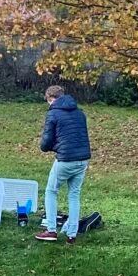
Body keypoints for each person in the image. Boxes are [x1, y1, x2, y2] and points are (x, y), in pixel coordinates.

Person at [35, 85, 91, 243]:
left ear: (51, 99)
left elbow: (46, 141)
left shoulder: (53, 113)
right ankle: (72, 234)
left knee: (51, 191)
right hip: (83, 159)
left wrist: (49, 147)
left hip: (65, 160)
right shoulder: (80, 113)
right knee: (74, 194)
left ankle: (51, 230)